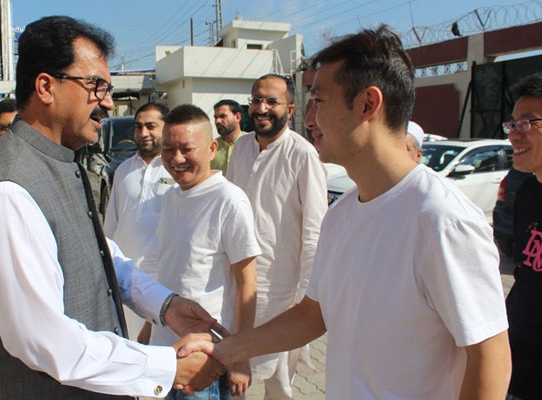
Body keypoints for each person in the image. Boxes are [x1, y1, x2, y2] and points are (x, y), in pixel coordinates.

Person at [180, 25, 512, 400]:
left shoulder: (442, 219)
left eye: (319, 101)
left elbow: (490, 357)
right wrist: (226, 350)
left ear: (368, 104)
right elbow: (312, 316)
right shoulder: (341, 217)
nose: (309, 119)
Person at [0, 16, 224, 399]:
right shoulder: (7, 191)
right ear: (46, 86)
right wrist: (165, 366)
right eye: (95, 86)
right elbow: (44, 339)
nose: (107, 102)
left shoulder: (61, 161)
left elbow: (96, 253)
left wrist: (165, 305)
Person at [225, 74, 328, 399]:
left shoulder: (302, 154)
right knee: (233, 371)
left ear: (290, 108)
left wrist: (303, 298)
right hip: (238, 283)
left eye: (272, 101)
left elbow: (315, 229)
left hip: (282, 294)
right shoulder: (241, 147)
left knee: (277, 385)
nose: (262, 108)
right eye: (257, 100)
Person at [152, 104, 260, 399]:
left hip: (206, 358)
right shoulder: (171, 196)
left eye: (187, 149)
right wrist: (149, 330)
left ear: (212, 148)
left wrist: (240, 355)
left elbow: (248, 284)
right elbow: (169, 268)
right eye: (168, 149)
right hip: (164, 354)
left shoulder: (229, 200)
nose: (177, 159)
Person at [104, 102, 175, 344]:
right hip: (126, 278)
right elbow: (111, 224)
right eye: (138, 127)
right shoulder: (123, 170)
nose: (143, 133)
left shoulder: (176, 170)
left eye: (150, 126)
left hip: (162, 280)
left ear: (166, 128)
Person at [504, 71, 542, 400]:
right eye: (512, 124)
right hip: (516, 372)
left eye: (526, 123)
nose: (514, 135)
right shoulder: (528, 193)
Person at [211, 99, 246, 175]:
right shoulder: (211, 148)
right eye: (215, 117)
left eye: (222, 116)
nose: (217, 121)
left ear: (237, 117)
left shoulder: (252, 143)